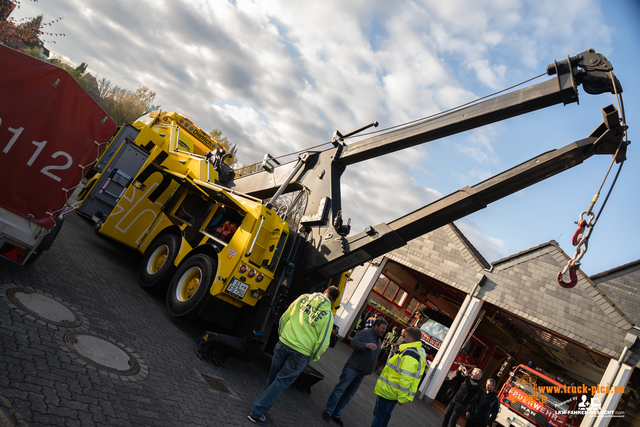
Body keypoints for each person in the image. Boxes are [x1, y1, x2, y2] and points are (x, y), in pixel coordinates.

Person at [247, 286, 340, 423]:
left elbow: (285, 316)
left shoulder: (303, 298)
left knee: (273, 379)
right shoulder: (328, 316)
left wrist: (282, 337)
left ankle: (264, 408)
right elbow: (323, 342)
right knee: (280, 382)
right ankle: (257, 412)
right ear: (333, 302)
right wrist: (313, 356)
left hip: (284, 344)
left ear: (325, 291)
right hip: (301, 354)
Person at [322, 318, 389, 426]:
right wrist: (366, 345)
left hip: (361, 373)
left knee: (348, 395)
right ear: (376, 326)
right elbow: (353, 343)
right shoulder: (365, 333)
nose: (383, 331)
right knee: (339, 390)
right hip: (352, 368)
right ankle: (327, 411)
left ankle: (336, 415)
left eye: (385, 329)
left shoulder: (379, 339)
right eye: (382, 328)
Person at [371, 327, 427, 427]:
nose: (404, 339)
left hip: (389, 391)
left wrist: (402, 398)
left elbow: (406, 378)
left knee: (379, 417)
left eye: (405, 337)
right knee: (385, 416)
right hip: (394, 392)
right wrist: (402, 397)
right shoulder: (419, 352)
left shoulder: (410, 353)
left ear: (410, 338)